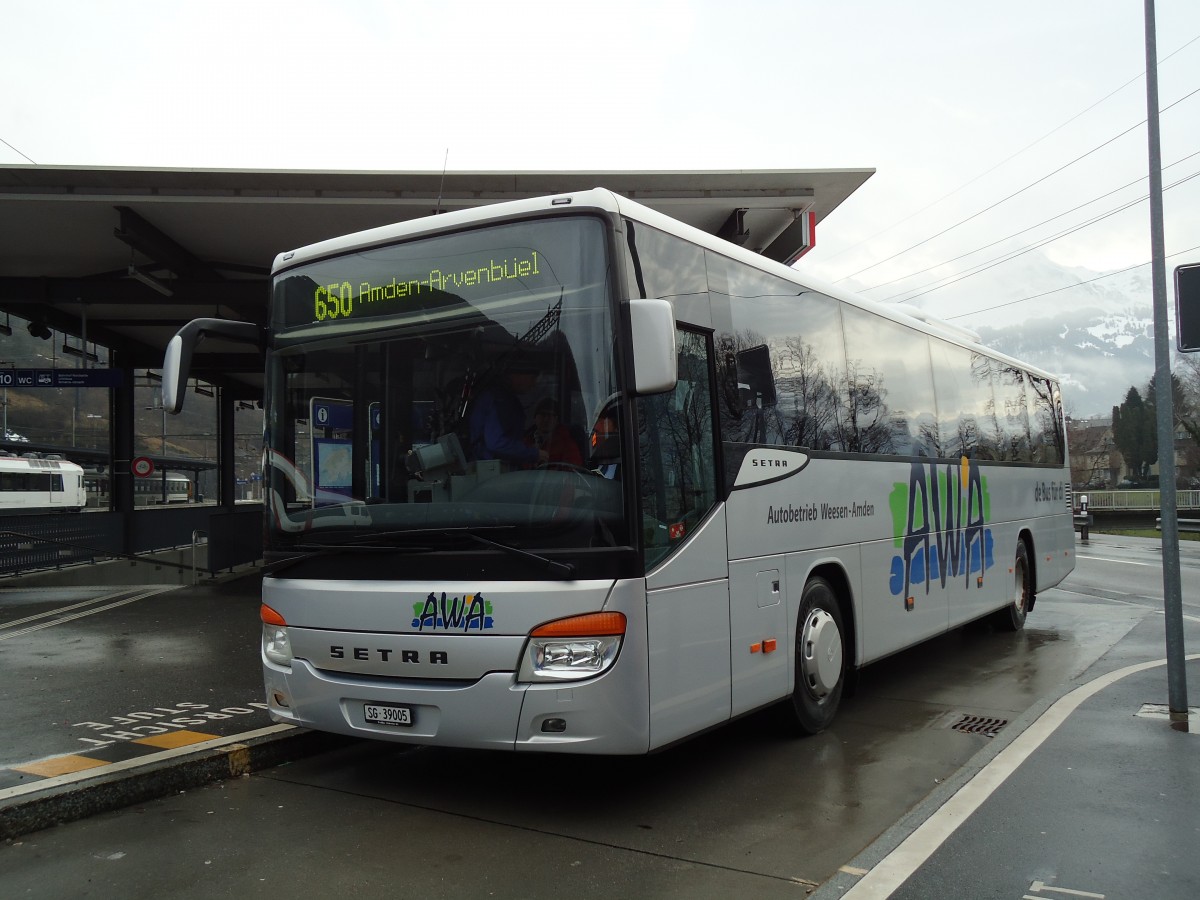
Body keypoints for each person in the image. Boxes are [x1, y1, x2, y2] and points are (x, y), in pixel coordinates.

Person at [468, 358, 549, 466]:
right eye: (532, 378)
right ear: (518, 375)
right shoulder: (500, 400)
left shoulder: (503, 398)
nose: (534, 383)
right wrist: (533, 454)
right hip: (492, 470)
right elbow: (496, 443)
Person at [526, 397, 583, 466]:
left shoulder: (567, 444)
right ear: (535, 418)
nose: (546, 419)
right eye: (542, 414)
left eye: (550, 415)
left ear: (557, 420)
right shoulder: (525, 442)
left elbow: (573, 468)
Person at [589, 410, 620, 479]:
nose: (596, 427)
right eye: (595, 422)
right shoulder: (590, 462)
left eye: (602, 422)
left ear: (616, 429)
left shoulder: (628, 468)